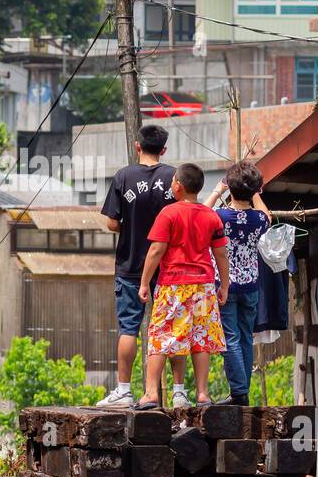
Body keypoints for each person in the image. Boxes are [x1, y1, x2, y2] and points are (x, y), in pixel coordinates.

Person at [98, 124, 185, 407]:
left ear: (138, 146)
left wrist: (131, 226)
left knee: (128, 329)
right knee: (173, 329)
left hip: (130, 265)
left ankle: (124, 390)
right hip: (169, 268)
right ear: (163, 150)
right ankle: (179, 392)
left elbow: (112, 221)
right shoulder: (174, 177)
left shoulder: (123, 176)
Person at [137, 163, 229, 406]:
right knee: (200, 340)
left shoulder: (168, 213)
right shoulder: (211, 216)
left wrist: (144, 282)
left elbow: (156, 250)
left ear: (178, 186)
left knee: (160, 336)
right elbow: (221, 254)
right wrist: (225, 285)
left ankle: (151, 393)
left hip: (173, 285)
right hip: (204, 287)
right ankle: (202, 393)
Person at [203, 162, 272, 405]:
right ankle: (242, 391)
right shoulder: (259, 220)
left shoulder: (220, 217)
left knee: (229, 337)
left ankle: (239, 392)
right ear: (254, 190)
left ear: (230, 188)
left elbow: (201, 212)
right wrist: (256, 193)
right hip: (251, 284)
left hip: (224, 285)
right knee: (245, 337)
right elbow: (267, 215)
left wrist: (217, 190)